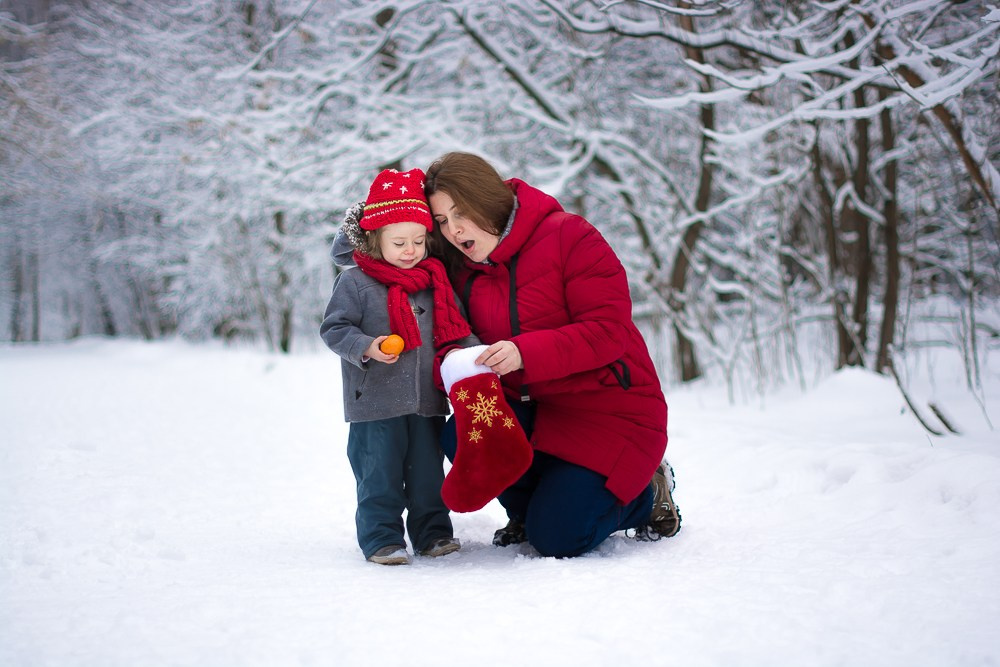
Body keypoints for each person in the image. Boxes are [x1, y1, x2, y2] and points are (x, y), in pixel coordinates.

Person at [425, 151, 681, 558]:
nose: (454, 230)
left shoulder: (569, 236)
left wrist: (524, 352)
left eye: (461, 213)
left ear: (486, 198)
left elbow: (608, 332)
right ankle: (530, 511)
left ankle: (647, 494)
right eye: (442, 222)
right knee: (463, 432)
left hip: (606, 414)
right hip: (535, 412)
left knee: (560, 538)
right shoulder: (459, 268)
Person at [320, 167, 477, 565]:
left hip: (426, 399)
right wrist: (367, 346)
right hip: (374, 400)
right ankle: (382, 538)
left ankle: (433, 534)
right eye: (399, 242)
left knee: (427, 474)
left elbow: (456, 329)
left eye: (419, 241)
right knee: (379, 474)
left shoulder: (433, 281)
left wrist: (477, 357)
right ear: (376, 240)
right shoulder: (355, 282)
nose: (410, 250)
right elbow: (334, 327)